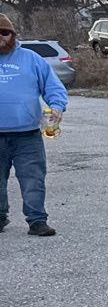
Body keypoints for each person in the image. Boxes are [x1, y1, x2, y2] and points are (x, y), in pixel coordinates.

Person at [0, 14, 68, 236]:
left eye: (4, 32)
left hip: (27, 135)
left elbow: (53, 87)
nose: (0, 37)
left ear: (12, 34)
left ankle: (37, 220)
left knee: (33, 179)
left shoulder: (31, 59)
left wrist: (57, 106)